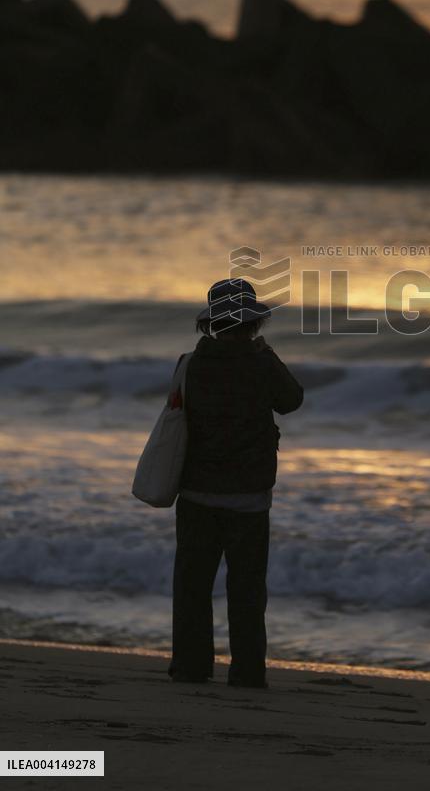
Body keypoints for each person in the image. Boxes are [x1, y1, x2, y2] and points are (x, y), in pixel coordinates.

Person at [168, 278, 304, 687]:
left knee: (192, 584)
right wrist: (265, 353)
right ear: (252, 324)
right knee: (246, 588)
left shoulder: (189, 364)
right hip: (248, 495)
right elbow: (292, 400)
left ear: (212, 324)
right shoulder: (261, 363)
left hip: (196, 491)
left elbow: (176, 414)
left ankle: (191, 667)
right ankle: (247, 671)